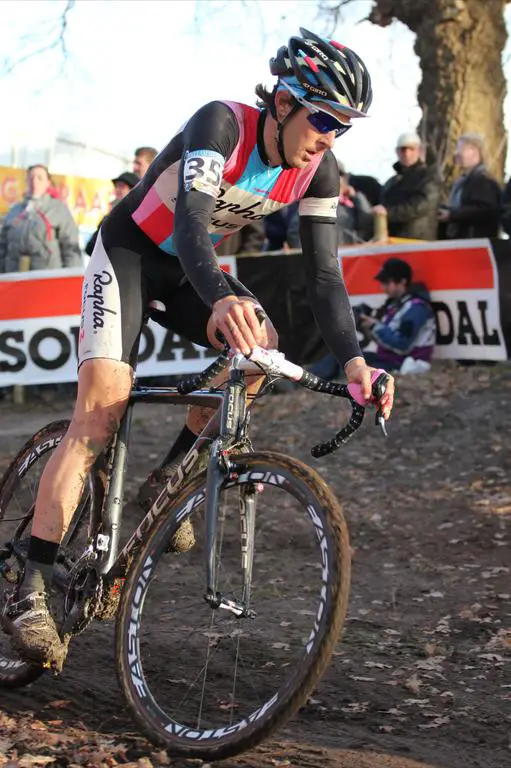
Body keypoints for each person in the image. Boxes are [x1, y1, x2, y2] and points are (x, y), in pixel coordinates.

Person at [1, 27, 394, 670]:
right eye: (324, 119)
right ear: (285, 101)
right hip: (132, 256)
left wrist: (355, 362)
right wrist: (221, 296)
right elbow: (187, 228)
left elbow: (325, 278)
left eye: (343, 127)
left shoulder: (319, 171)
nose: (329, 137)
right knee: (100, 413)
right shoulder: (222, 125)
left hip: (192, 269)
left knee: (259, 348)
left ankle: (169, 478)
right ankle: (33, 585)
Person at [358, 257, 436, 373]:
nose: (382, 288)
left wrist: (375, 326)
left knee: (357, 365)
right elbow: (387, 341)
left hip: (410, 363)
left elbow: (402, 345)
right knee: (350, 359)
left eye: (387, 283)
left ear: (402, 282)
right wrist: (366, 326)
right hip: (393, 360)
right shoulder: (396, 305)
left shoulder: (416, 307)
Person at [0, 164, 82, 272]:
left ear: (47, 183)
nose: (34, 182)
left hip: (46, 278)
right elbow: (2, 246)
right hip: (15, 278)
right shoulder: (15, 211)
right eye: (31, 178)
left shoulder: (58, 210)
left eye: (39, 178)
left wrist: (72, 276)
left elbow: (70, 247)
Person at [373, 132, 440, 241]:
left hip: (418, 241)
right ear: (397, 151)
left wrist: (387, 213)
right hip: (393, 241)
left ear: (419, 151)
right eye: (403, 149)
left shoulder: (429, 176)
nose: (407, 153)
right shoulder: (392, 182)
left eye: (411, 149)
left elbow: (420, 205)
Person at [438, 133, 501, 240]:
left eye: (461, 149)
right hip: (460, 239)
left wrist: (452, 215)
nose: (457, 153)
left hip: (474, 240)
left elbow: (484, 210)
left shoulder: (483, 180)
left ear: (475, 151)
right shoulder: (463, 180)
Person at [85, 172, 140, 257]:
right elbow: (90, 248)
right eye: (117, 186)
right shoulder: (111, 216)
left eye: (122, 186)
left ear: (133, 189)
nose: (118, 189)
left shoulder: (138, 218)